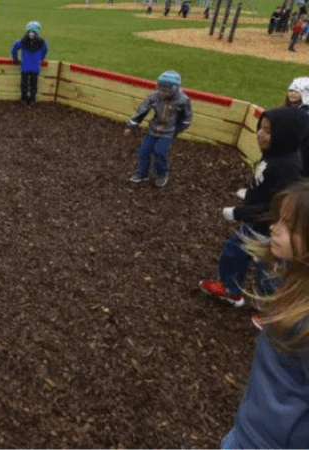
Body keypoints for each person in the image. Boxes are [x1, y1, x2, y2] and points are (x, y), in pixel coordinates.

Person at [218, 180, 309, 448]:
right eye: (278, 219)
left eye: (288, 226)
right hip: (252, 429)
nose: (274, 228)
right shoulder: (289, 280)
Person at [199, 107, 306, 308]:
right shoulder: (273, 154)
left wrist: (239, 212)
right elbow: (264, 185)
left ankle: (267, 310)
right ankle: (231, 289)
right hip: (254, 223)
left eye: (267, 131)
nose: (259, 134)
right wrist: (249, 196)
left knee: (268, 271)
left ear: (284, 136)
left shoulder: (288, 168)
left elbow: (276, 205)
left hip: (270, 229)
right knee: (234, 251)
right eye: (260, 128)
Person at [125, 70, 192, 187]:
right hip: (153, 129)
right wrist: (132, 125)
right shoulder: (154, 96)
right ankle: (142, 173)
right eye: (161, 89)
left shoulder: (183, 100)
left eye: (166, 90)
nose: (163, 93)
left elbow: (187, 118)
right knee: (143, 151)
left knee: (159, 152)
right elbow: (142, 110)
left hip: (168, 132)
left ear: (174, 89)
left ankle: (162, 174)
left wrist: (177, 129)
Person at [10, 21, 48, 106]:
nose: (31, 34)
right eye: (30, 32)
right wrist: (40, 59)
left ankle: (28, 99)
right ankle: (28, 99)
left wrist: (16, 59)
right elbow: (45, 51)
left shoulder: (24, 41)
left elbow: (14, 48)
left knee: (29, 84)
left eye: (33, 32)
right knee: (29, 84)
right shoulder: (41, 42)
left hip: (28, 67)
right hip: (32, 67)